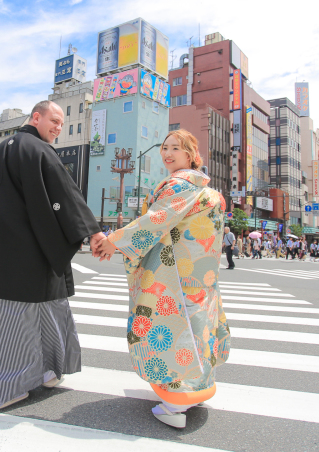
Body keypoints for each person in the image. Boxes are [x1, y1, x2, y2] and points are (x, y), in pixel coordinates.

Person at [0, 100, 106, 411]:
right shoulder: (39, 150)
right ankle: (7, 388)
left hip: (0, 253)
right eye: (54, 120)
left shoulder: (2, 150)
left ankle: (44, 371)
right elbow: (64, 194)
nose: (58, 128)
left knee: (1, 320)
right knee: (31, 317)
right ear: (35, 117)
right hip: (32, 251)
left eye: (62, 123)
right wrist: (92, 231)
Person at [96, 129, 230, 429]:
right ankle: (196, 390)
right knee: (198, 329)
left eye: (176, 148)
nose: (168, 153)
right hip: (200, 272)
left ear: (191, 155)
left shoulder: (179, 185)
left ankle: (175, 403)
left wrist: (113, 240)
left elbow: (155, 221)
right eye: (165, 147)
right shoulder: (207, 190)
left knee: (173, 328)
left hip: (176, 274)